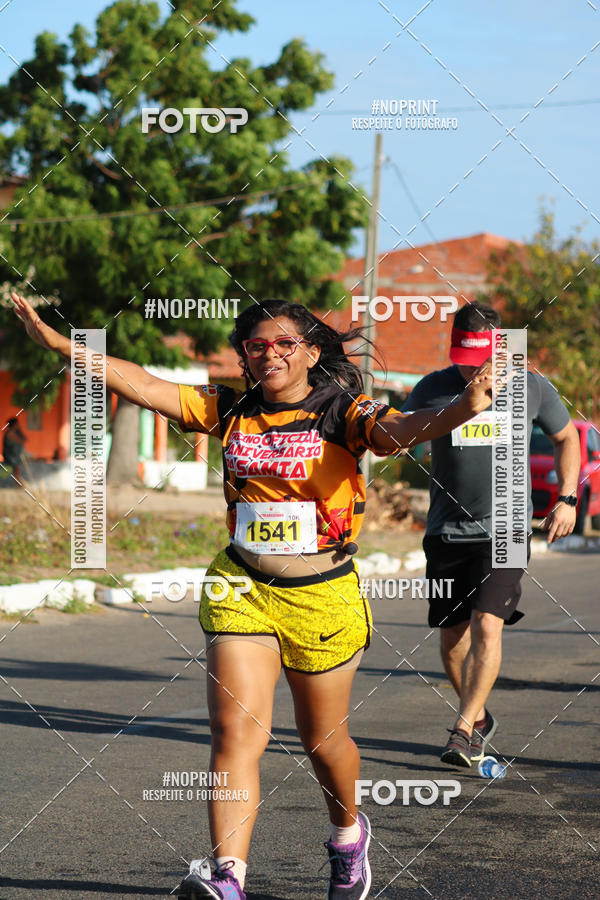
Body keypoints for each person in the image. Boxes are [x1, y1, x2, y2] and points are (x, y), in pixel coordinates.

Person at [12, 291, 498, 900]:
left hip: (322, 594)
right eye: (256, 346)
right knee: (236, 735)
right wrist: (64, 344)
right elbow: (143, 382)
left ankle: (349, 836)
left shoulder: (343, 411)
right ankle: (227, 880)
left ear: (311, 351)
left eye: (283, 344)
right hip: (241, 585)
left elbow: (400, 432)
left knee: (324, 743)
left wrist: (461, 409)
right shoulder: (231, 407)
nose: (269, 355)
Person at [402, 301, 581, 768]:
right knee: (451, 638)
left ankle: (463, 731)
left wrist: (567, 498)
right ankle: (477, 715)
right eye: (462, 358)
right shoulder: (432, 387)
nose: (469, 369)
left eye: (477, 360)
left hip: (505, 527)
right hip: (445, 530)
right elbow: (398, 436)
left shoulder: (530, 386)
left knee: (487, 623)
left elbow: (567, 439)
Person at [2, 417, 27, 483]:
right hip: (11, 457)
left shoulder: (14, 432)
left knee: (17, 471)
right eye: (17, 424)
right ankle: (19, 485)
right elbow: (22, 440)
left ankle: (19, 485)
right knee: (17, 471)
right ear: (14, 425)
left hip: (15, 456)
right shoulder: (10, 433)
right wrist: (20, 431)